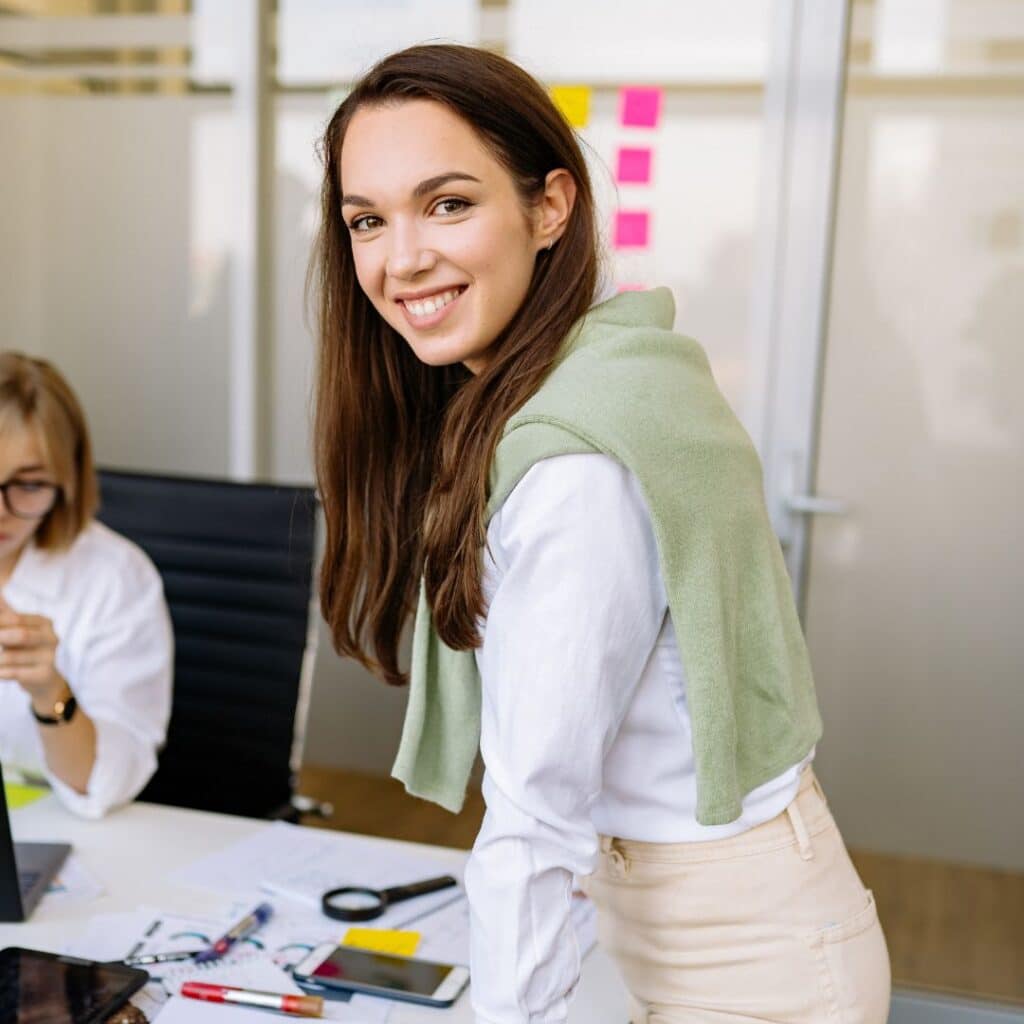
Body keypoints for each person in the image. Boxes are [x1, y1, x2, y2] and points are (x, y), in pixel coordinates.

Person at [310, 44, 890, 1024]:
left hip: (746, 966)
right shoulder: (597, 372)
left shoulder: (574, 463)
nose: (399, 257)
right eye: (367, 219)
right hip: (657, 915)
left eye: (447, 203)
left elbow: (536, 815)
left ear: (550, 207)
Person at [0, 352, 172, 819]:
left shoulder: (115, 577)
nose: (1, 510)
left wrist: (47, 689)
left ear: (65, 480)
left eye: (28, 485)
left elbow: (102, 784)